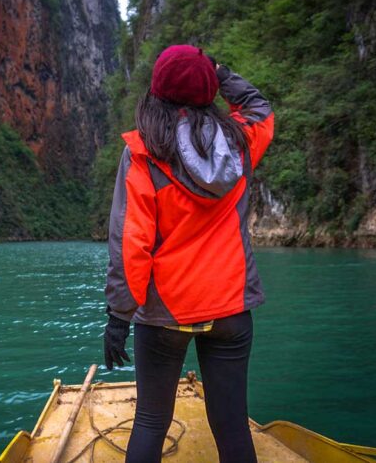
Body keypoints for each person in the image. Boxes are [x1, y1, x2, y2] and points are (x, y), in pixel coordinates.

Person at [102, 44, 274, 463]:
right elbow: (259, 107)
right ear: (209, 91)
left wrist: (118, 317)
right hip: (231, 306)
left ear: (155, 93)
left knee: (149, 422)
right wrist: (220, 71)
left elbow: (131, 243)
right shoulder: (241, 141)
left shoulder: (143, 154)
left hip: (165, 312)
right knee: (232, 425)